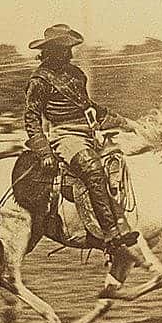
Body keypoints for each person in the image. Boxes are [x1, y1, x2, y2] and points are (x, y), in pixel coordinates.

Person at [23, 24, 139, 250]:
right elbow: (31, 119)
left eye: (70, 48)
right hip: (64, 136)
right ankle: (110, 232)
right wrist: (44, 151)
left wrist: (124, 122)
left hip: (89, 133)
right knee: (92, 168)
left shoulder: (77, 75)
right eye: (64, 49)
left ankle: (124, 220)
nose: (70, 53)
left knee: (118, 164)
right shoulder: (39, 81)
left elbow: (90, 107)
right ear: (50, 51)